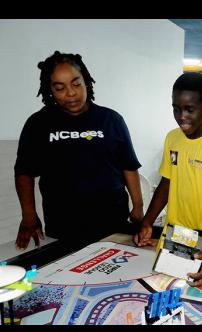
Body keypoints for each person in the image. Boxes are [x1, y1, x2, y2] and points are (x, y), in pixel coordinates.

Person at [14, 51, 143, 250]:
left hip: (113, 222)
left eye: (76, 83)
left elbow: (129, 165)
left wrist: (138, 207)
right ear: (50, 90)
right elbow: (24, 172)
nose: (71, 93)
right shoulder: (38, 124)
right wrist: (29, 216)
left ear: (87, 82)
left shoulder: (111, 119)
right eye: (60, 88)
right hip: (63, 226)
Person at [134, 72, 202, 287]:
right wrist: (147, 220)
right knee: (168, 293)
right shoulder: (172, 138)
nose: (181, 116)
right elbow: (167, 183)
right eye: (176, 108)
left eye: (189, 109)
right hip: (177, 235)